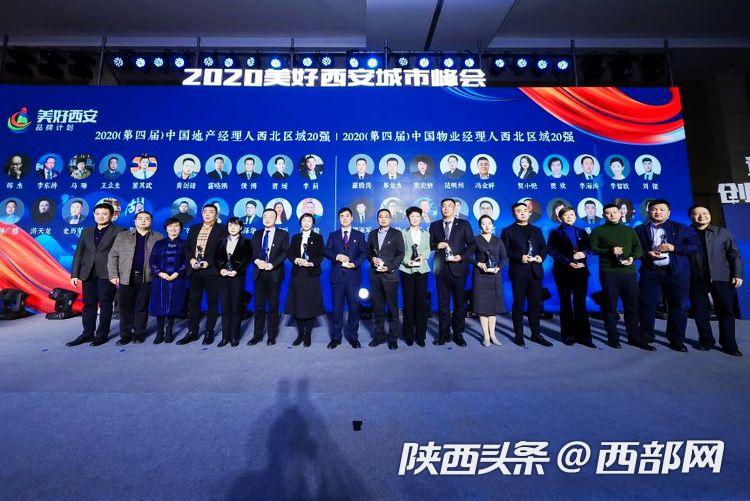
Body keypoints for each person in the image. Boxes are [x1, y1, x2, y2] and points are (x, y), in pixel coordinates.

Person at [635, 199, 699, 352]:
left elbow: (695, 247)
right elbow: (634, 249)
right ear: (649, 212)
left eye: (662, 209)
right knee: (647, 305)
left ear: (669, 213)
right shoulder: (639, 230)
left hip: (676, 273)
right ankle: (646, 337)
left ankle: (676, 339)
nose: (658, 212)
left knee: (678, 305)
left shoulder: (681, 228)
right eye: (654, 209)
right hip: (651, 273)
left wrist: (674, 248)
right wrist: (647, 253)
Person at [590, 204, 654, 350]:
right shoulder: (598, 231)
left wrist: (632, 257)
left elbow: (638, 248)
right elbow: (593, 249)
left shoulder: (629, 231)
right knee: (610, 306)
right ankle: (613, 338)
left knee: (632, 306)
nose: (612, 215)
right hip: (609, 272)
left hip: (629, 272)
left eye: (614, 212)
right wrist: (610, 250)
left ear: (620, 213)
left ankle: (634, 337)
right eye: (608, 213)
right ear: (604, 215)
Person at [688, 204, 744, 356]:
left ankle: (729, 344)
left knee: (726, 312)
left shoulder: (722, 232)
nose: (702, 216)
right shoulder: (686, 234)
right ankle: (706, 341)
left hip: (722, 278)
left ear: (710, 215)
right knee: (700, 312)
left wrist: (737, 274)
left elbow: (734, 254)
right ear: (691, 216)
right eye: (697, 213)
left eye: (705, 212)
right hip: (696, 279)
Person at [66, 203, 125, 347]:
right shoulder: (86, 231)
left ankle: (101, 335)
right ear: (93, 215)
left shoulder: (119, 231)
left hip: (108, 273)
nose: (101, 216)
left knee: (105, 304)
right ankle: (87, 334)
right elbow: (79, 253)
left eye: (104, 214)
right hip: (88, 273)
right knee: (88, 304)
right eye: (98, 214)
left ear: (112, 215)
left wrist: (118, 273)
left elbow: (122, 254)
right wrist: (74, 274)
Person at [107, 211, 163, 345]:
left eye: (147, 219)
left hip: (147, 278)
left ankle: (139, 334)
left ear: (151, 222)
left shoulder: (158, 237)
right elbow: (113, 255)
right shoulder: (123, 236)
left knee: (141, 307)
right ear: (135, 221)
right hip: (126, 277)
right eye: (140, 218)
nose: (143, 221)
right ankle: (125, 335)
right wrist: (113, 274)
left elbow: (161, 258)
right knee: (125, 308)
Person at [177, 204, 229, 345]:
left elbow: (223, 250)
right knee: (194, 301)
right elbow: (187, 247)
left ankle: (209, 332)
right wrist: (191, 260)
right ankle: (192, 332)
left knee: (212, 301)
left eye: (211, 212)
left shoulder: (222, 229)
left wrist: (209, 262)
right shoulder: (194, 228)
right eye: (205, 211)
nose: (207, 214)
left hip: (212, 271)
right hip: (194, 270)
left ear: (216, 215)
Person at [500, 202, 551, 347]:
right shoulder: (507, 231)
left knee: (535, 304)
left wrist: (541, 257)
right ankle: (519, 335)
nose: (522, 213)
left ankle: (536, 334)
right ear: (513, 214)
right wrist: (519, 257)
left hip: (535, 271)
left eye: (525, 210)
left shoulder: (537, 230)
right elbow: (505, 251)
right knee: (519, 304)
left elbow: (543, 247)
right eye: (518, 211)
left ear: (529, 213)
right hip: (518, 272)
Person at [429, 198, 476, 347]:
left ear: (455, 208)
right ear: (441, 208)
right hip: (441, 269)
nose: (446, 208)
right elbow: (429, 244)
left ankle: (457, 334)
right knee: (443, 304)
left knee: (459, 304)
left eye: (450, 206)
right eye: (443, 206)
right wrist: (437, 245)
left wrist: (461, 257)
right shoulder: (434, 225)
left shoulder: (463, 224)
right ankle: (443, 335)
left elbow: (472, 244)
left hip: (459, 268)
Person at [547, 207, 595, 347]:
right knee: (566, 303)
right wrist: (568, 262)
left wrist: (584, 253)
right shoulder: (555, 232)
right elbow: (551, 250)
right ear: (560, 218)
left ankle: (584, 337)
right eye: (566, 215)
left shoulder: (581, 231)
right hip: (563, 272)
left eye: (572, 214)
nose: (569, 217)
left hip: (581, 271)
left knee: (580, 303)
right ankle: (568, 335)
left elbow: (590, 248)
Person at [325, 207, 368, 349]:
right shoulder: (333, 235)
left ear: (352, 218)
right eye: (342, 216)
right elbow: (327, 251)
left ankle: (353, 337)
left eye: (347, 216)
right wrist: (336, 256)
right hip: (337, 277)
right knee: (337, 310)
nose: (344, 218)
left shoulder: (359, 235)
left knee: (354, 309)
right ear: (339, 219)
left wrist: (355, 264)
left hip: (353, 277)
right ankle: (336, 338)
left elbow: (364, 253)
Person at [248, 208, 289, 345]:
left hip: (274, 274)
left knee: (273, 306)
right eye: (265, 216)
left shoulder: (283, 234)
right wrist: (256, 261)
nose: (267, 219)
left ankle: (271, 336)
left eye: (270, 216)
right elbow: (252, 252)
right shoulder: (257, 234)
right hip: (259, 274)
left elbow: (285, 253)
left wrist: (272, 264)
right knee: (259, 306)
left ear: (275, 218)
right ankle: (257, 335)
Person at [285, 213, 325, 347]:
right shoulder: (295, 237)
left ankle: (308, 334)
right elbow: (290, 254)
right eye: (304, 220)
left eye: (309, 221)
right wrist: (296, 259)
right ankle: (300, 334)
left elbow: (321, 254)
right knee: (298, 304)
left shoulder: (318, 237)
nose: (306, 223)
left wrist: (313, 263)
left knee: (310, 304)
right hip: (298, 273)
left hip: (311, 274)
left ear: (313, 223)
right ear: (300, 223)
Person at [367, 209, 405, 349]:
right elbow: (368, 251)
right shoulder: (372, 234)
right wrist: (372, 258)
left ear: (390, 219)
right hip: (375, 276)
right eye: (380, 217)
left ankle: (393, 338)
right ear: (377, 219)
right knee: (378, 308)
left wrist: (389, 267)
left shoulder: (396, 234)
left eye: (386, 217)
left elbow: (400, 254)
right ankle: (379, 336)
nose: (383, 219)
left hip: (390, 276)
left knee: (393, 308)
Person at [149, 218, 189, 344]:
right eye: (170, 226)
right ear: (166, 229)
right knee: (160, 305)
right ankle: (159, 333)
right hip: (160, 279)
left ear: (181, 229)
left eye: (176, 226)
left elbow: (186, 261)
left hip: (177, 279)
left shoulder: (185, 243)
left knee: (172, 305)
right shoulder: (159, 243)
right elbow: (152, 261)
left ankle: (169, 332)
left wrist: (177, 273)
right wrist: (160, 273)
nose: (173, 228)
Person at [214, 217, 253, 347]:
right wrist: (221, 270)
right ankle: (225, 337)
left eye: (236, 225)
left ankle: (234, 337)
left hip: (237, 277)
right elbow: (215, 258)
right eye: (230, 225)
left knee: (236, 307)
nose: (232, 228)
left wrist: (237, 271)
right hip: (223, 277)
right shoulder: (220, 241)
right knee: (225, 308)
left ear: (241, 228)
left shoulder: (246, 242)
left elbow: (247, 259)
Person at [472, 215, 508, 347]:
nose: (486, 226)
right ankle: (486, 336)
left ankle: (493, 335)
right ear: (479, 226)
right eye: (483, 223)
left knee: (493, 307)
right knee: (482, 307)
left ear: (493, 225)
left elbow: (504, 258)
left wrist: (498, 268)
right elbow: (468, 255)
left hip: (494, 276)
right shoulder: (475, 239)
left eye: (489, 223)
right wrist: (478, 264)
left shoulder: (498, 240)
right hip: (480, 275)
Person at [400, 206, 431, 347]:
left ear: (421, 218)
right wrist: (407, 262)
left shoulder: (426, 233)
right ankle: (409, 335)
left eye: (417, 216)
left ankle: (421, 336)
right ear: (408, 218)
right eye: (412, 216)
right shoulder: (402, 233)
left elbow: (428, 249)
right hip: (407, 270)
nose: (415, 218)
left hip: (422, 270)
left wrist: (422, 257)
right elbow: (400, 251)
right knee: (408, 303)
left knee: (421, 304)